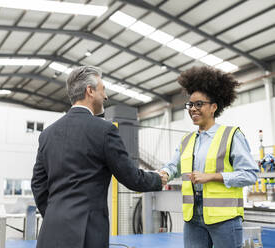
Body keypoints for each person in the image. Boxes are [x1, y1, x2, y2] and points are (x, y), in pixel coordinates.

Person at [31, 65, 164, 248]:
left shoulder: (47, 134)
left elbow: (38, 184)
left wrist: (56, 214)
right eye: (103, 90)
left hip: (51, 232)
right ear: (90, 91)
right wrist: (158, 178)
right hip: (87, 233)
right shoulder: (104, 130)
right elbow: (131, 177)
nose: (106, 96)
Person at [159, 66, 258, 248]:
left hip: (225, 219)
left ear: (213, 107)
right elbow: (174, 165)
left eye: (199, 104)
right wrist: (164, 173)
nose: (193, 109)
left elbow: (250, 174)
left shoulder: (231, 135)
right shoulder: (187, 140)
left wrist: (211, 176)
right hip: (193, 219)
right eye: (190, 104)